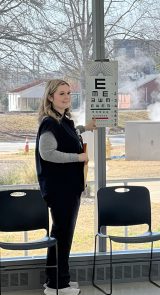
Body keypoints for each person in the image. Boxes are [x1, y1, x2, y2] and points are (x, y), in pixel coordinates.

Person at [35, 79, 96, 295]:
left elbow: (67, 135)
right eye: (61, 93)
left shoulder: (62, 121)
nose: (67, 97)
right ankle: (56, 285)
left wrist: (84, 128)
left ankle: (58, 279)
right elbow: (47, 153)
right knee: (62, 234)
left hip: (68, 187)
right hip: (60, 189)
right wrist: (78, 157)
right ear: (50, 97)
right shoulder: (49, 123)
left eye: (69, 93)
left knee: (62, 234)